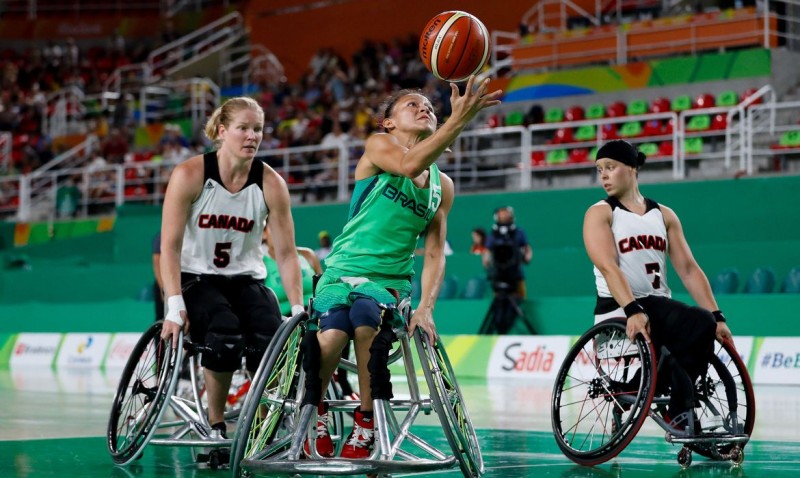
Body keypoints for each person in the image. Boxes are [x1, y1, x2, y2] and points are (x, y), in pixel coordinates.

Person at [305, 76, 501, 459]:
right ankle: (317, 410)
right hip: (340, 270)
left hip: (390, 281)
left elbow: (433, 252)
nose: (424, 107)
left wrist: (426, 307)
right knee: (329, 337)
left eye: (428, 104)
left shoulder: (443, 186)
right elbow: (411, 163)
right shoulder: (379, 147)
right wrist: (457, 120)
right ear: (389, 123)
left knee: (366, 322)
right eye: (412, 104)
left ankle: (366, 420)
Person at [159, 96, 305, 440]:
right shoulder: (190, 174)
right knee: (224, 334)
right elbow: (169, 246)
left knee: (270, 340)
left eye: (258, 129)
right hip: (197, 278)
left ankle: (265, 425)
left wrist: (297, 307)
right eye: (243, 128)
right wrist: (174, 304)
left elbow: (285, 253)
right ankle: (216, 423)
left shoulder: (271, 184)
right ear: (222, 131)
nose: (252, 136)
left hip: (246, 280)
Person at [584, 139, 733, 431]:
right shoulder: (600, 213)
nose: (603, 175)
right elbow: (607, 266)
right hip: (619, 306)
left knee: (703, 325)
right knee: (695, 323)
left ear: (632, 169)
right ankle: (677, 408)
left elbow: (689, 269)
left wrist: (717, 315)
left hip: (657, 304)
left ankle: (644, 392)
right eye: (599, 169)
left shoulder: (663, 214)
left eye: (610, 168)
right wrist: (632, 309)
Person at [482, 207, 532, 298]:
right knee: (498, 299)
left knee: (521, 298)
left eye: (506, 213)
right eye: (502, 213)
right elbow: (487, 251)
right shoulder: (493, 234)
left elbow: (527, 248)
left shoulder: (519, 232)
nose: (505, 215)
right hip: (498, 273)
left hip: (516, 273)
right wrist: (486, 261)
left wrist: (527, 257)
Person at [152, 231, 164, 321]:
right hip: (165, 283)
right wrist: (163, 288)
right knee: (162, 318)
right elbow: (156, 262)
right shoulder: (162, 236)